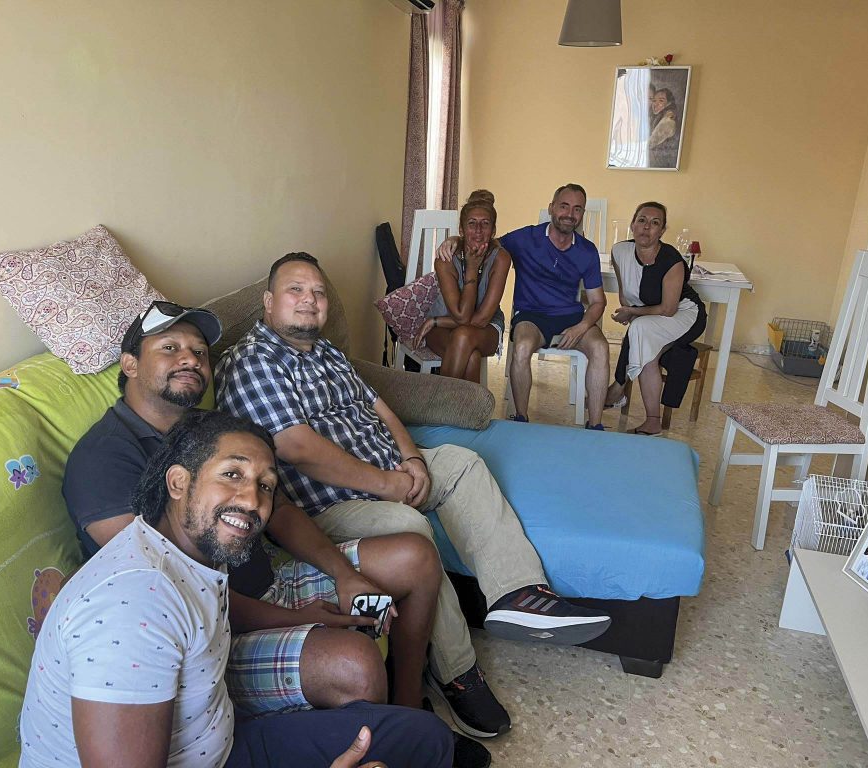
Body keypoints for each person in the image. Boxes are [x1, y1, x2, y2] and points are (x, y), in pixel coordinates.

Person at [216, 252, 612, 744]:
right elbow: (294, 445)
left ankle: (518, 593)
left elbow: (378, 405)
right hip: (330, 505)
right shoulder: (253, 361)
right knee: (411, 528)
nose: (310, 301)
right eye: (296, 290)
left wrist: (413, 459)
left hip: (390, 470)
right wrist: (388, 486)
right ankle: (458, 673)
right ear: (269, 302)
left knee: (462, 462)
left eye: (318, 292)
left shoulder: (327, 354)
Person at [62, 301, 443, 723]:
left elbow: (278, 510)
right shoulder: (102, 458)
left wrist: (345, 575)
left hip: (270, 585)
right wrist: (300, 620)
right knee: (353, 662)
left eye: (200, 352)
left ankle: (410, 718)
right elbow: (175, 591)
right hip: (209, 636)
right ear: (129, 365)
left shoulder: (212, 431)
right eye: (170, 348)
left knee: (416, 556)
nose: (190, 358)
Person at [22, 410, 453, 767]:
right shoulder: (134, 606)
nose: (252, 501)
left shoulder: (189, 557)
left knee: (427, 740)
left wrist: (305, 615)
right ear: (177, 483)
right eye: (232, 474)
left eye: (265, 485)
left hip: (221, 740)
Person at [438, 184, 611, 428]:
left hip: (571, 317)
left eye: (577, 208)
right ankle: (521, 418)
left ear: (582, 214)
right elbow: (485, 241)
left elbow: (597, 302)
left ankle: (595, 425)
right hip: (530, 316)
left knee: (601, 349)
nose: (569, 214)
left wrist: (581, 327)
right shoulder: (524, 238)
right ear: (551, 208)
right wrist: (455, 239)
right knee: (521, 348)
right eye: (564, 206)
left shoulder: (587, 250)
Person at [604, 203, 706, 436]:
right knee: (642, 334)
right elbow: (625, 291)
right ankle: (651, 420)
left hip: (686, 314)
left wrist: (633, 313)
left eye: (655, 223)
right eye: (641, 220)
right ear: (632, 224)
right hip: (651, 315)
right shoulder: (619, 251)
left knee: (641, 330)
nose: (646, 227)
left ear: (662, 231)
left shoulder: (672, 261)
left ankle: (619, 388)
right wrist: (629, 310)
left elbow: (669, 309)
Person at [414, 190, 509, 383]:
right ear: (462, 229)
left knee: (463, 335)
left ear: (493, 230)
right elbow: (462, 316)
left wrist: (436, 321)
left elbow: (481, 320)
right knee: (471, 357)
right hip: (444, 329)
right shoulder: (446, 260)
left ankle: (440, 410)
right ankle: (468, 413)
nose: (479, 231)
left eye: (485, 224)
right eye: (472, 224)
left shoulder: (501, 258)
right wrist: (472, 269)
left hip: (485, 328)